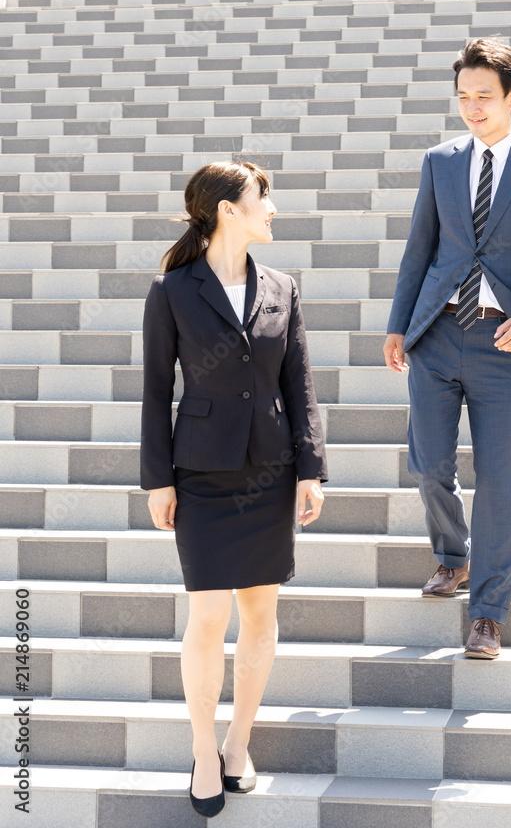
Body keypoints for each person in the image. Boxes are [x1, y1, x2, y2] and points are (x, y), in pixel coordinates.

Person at [383, 36, 511, 660]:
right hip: (437, 332)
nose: (472, 108)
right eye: (464, 96)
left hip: (503, 341)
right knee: (428, 465)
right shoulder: (440, 161)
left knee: (498, 482)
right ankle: (453, 556)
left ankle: (488, 614)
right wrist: (398, 324)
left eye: (484, 97)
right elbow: (420, 248)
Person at [140, 159, 328, 816]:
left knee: (258, 614)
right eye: (262, 197)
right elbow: (155, 390)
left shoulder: (282, 285)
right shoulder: (172, 291)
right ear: (228, 209)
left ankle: (237, 742)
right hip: (202, 473)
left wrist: (310, 467)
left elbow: (298, 384)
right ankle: (200, 749)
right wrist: (156, 480)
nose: (271, 208)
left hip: (269, 472)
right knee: (208, 614)